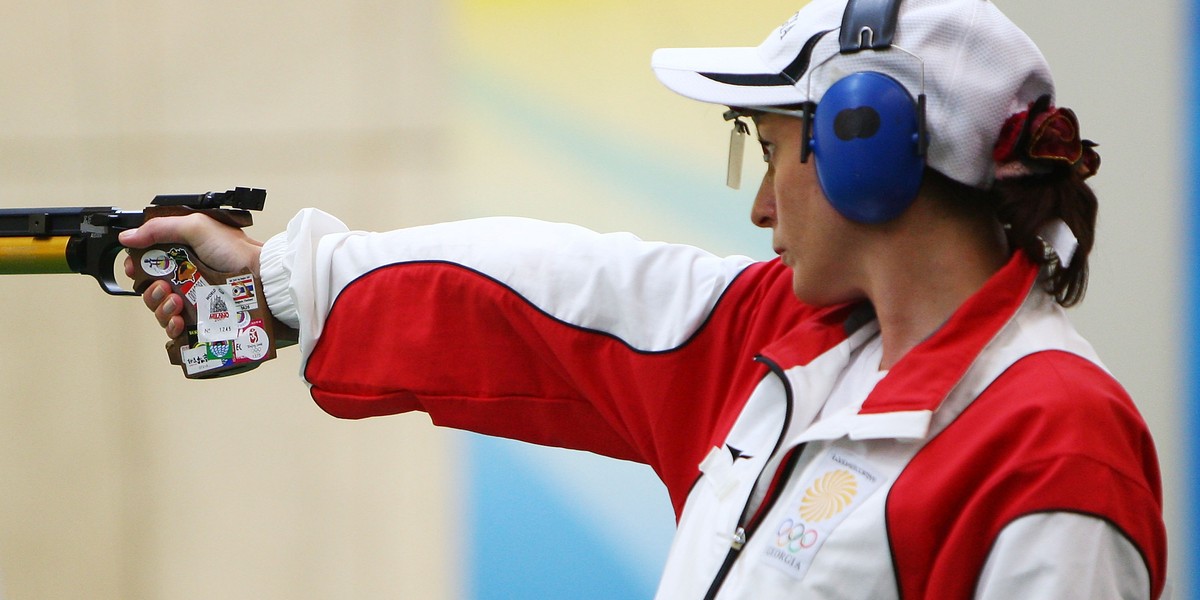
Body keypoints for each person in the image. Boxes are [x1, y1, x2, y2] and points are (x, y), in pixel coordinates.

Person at [119, 0, 1167, 597]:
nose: (761, 204)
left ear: (867, 147)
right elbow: (539, 291)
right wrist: (277, 284)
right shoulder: (788, 341)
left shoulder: (1053, 438)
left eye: (771, 150)